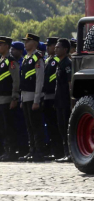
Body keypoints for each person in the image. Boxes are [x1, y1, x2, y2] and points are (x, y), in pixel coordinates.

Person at [17, 34, 46, 162]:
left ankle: (39, 151)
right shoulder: (25, 58)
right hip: (26, 97)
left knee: (36, 125)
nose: (25, 43)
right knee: (29, 126)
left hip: (33, 97)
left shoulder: (37, 58)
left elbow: (39, 80)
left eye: (28, 41)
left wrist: (36, 100)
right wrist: (22, 99)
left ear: (34, 43)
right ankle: (32, 150)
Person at [42, 37, 63, 160]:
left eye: (50, 45)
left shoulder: (56, 61)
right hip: (46, 95)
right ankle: (54, 150)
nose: (48, 47)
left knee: (56, 125)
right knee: (50, 125)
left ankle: (59, 151)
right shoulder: (47, 60)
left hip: (54, 95)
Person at [0, 36, 20, 161]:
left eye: (1, 44)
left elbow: (16, 80)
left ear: (7, 46)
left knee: (9, 127)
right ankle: (5, 151)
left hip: (7, 98)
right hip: (0, 98)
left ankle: (12, 151)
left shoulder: (11, 61)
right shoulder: (1, 60)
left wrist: (14, 97)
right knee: (2, 127)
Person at [53, 39, 73, 163]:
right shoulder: (60, 63)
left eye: (58, 47)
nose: (55, 49)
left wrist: (71, 101)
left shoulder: (67, 63)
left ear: (65, 50)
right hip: (59, 101)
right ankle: (66, 153)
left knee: (66, 127)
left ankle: (70, 153)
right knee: (61, 127)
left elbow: (70, 83)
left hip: (66, 101)